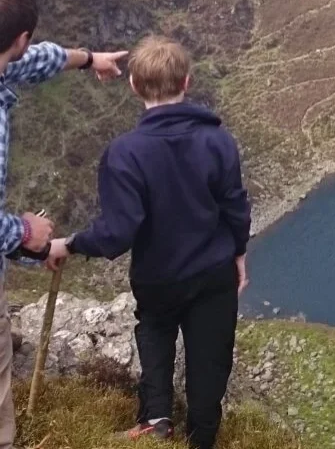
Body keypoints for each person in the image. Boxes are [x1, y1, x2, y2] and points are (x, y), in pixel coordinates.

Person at [47, 36, 251, 448]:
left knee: (155, 331)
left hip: (159, 277)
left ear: (134, 86)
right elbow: (235, 206)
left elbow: (118, 232)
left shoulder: (124, 153)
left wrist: (69, 244)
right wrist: (239, 255)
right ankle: (202, 437)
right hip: (214, 272)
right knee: (210, 356)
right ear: (187, 82)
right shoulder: (218, 141)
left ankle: (156, 418)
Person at [0, 0, 127, 449]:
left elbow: (41, 60)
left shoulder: (9, 64)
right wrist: (26, 231)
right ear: (20, 38)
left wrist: (90, 59)